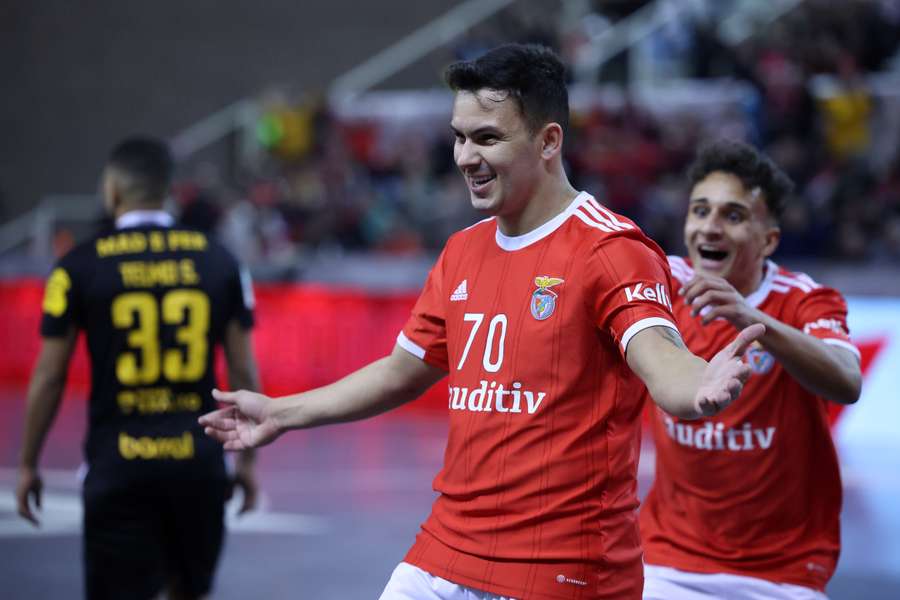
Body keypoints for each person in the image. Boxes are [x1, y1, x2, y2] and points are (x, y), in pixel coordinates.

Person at [200, 44, 763, 600]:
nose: (466, 156)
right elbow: (402, 370)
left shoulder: (610, 248)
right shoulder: (462, 251)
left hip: (559, 570)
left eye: (487, 138)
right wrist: (280, 411)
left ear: (548, 141)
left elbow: (660, 355)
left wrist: (695, 387)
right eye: (459, 137)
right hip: (446, 552)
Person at [15, 136, 261, 600]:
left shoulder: (77, 266)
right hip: (198, 466)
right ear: (169, 189)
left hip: (118, 467)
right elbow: (245, 371)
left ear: (111, 190)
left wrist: (28, 463)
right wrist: (247, 461)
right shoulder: (221, 260)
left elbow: (49, 376)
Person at [640, 139, 862, 600]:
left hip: (783, 574)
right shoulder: (659, 286)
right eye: (700, 211)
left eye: (733, 215)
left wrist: (750, 318)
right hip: (668, 563)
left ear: (769, 239)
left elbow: (846, 382)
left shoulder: (805, 299)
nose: (711, 227)